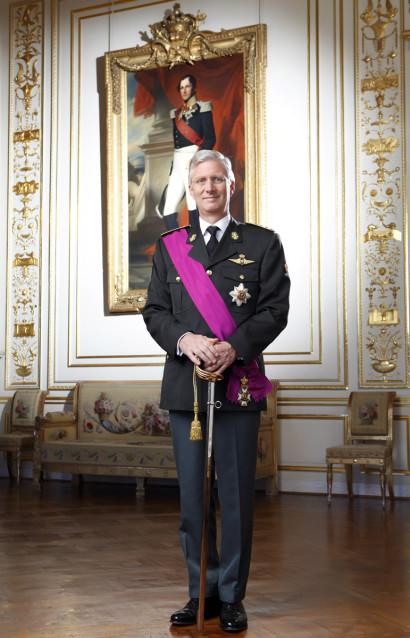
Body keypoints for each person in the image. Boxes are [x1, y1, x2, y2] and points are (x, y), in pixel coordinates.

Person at [142, 150, 290, 632]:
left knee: (236, 497)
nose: (208, 188)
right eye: (200, 181)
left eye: (217, 179)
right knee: (193, 499)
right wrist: (184, 340)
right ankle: (200, 593)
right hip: (186, 388)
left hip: (239, 384)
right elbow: (155, 311)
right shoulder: (171, 247)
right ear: (190, 189)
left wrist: (236, 348)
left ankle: (231, 597)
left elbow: (274, 309)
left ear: (232, 184)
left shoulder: (262, 243)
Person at [158, 74, 216, 231]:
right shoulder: (175, 114)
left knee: (193, 205)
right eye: (182, 87)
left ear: (194, 88)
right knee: (168, 209)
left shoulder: (202, 108)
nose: (184, 90)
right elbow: (176, 146)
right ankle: (176, 250)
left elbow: (210, 139)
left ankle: (198, 247)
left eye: (187, 86)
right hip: (177, 165)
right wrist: (172, 170)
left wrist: (196, 160)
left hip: (193, 161)